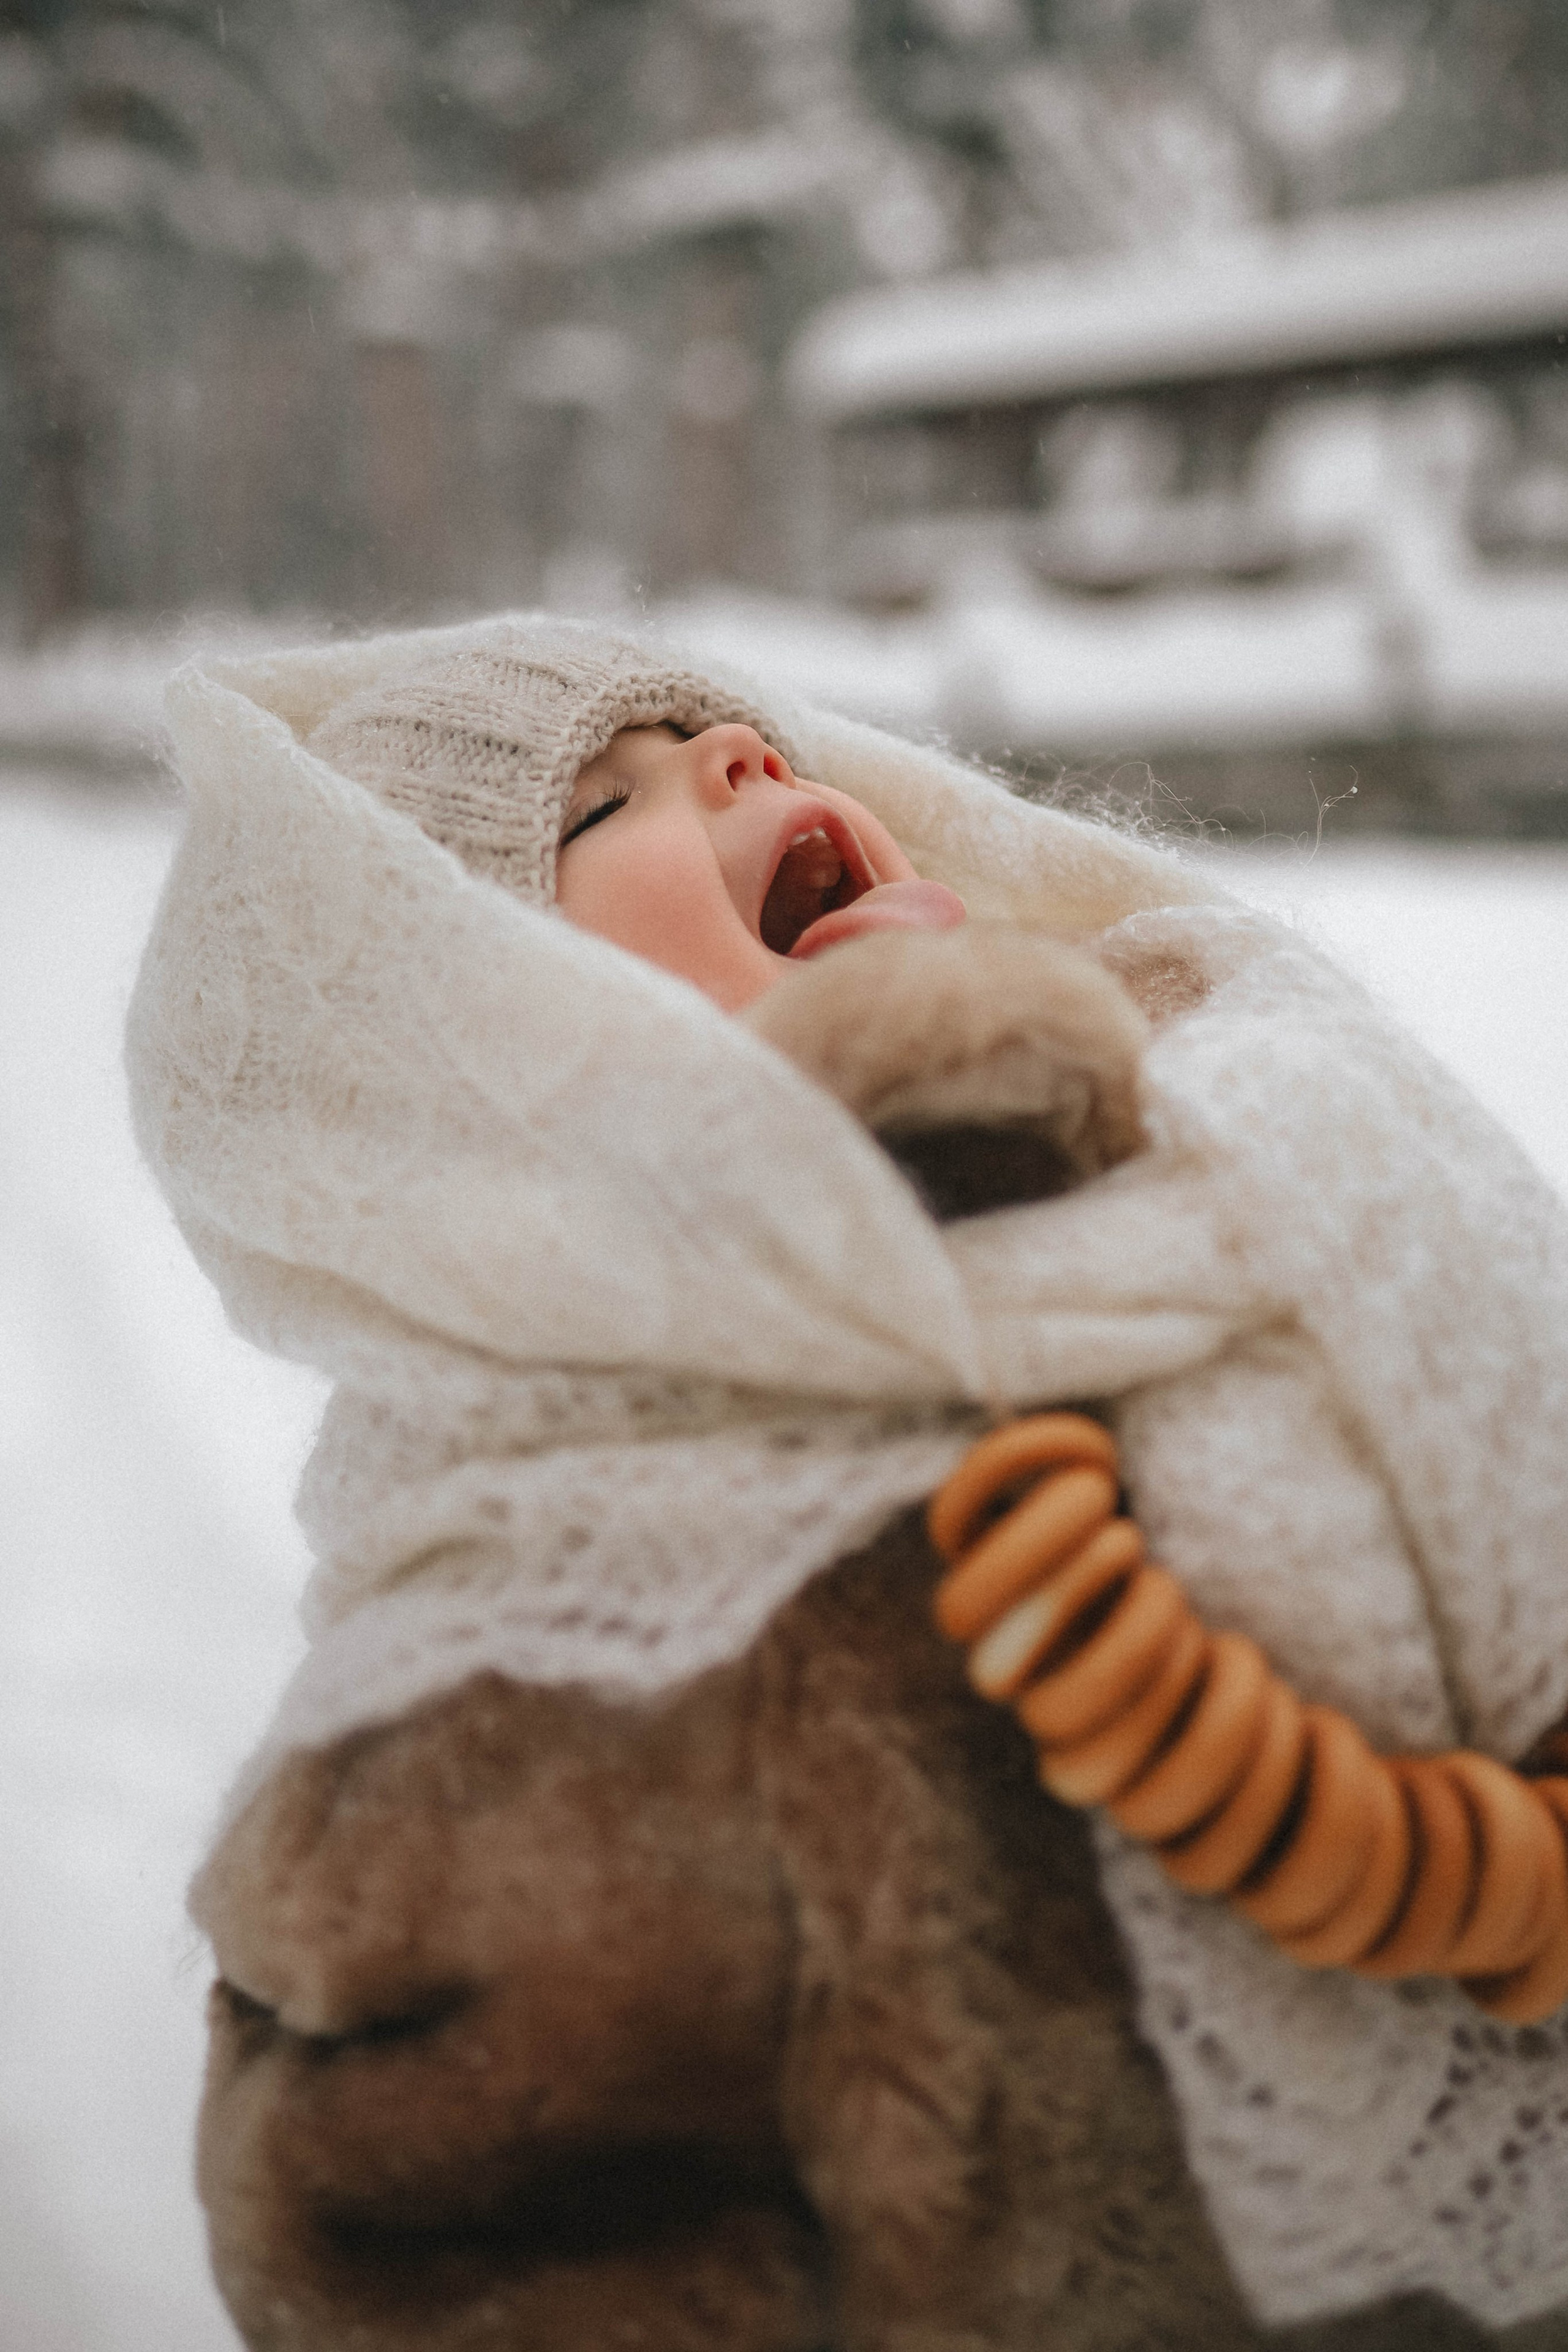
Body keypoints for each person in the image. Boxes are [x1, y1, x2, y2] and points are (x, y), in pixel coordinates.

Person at [129, 611, 1568, 2336]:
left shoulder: (1278, 1169)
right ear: (482, 1059)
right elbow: (401, 2234)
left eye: (745, 743)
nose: (750, 763)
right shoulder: (548, 1671)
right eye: (601, 809)